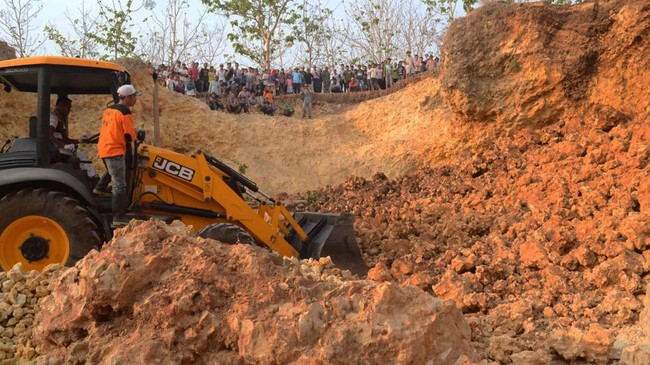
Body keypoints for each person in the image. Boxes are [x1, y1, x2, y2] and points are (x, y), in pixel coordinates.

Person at [95, 84, 140, 227]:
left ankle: (100, 188)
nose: (135, 99)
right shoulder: (125, 112)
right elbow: (128, 135)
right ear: (127, 97)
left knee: (113, 171)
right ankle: (118, 217)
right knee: (119, 184)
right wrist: (136, 137)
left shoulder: (109, 110)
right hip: (115, 149)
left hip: (104, 147)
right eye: (134, 96)